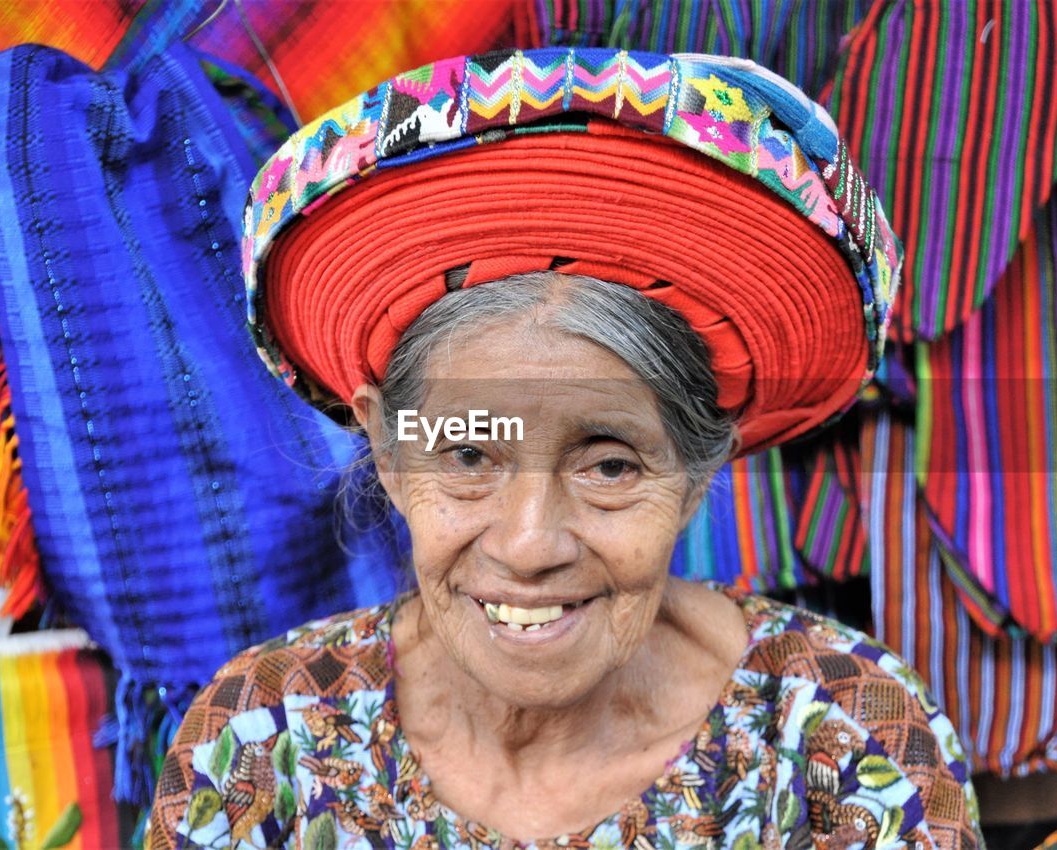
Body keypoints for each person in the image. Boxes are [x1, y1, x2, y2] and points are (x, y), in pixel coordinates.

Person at [147, 48, 984, 850]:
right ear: (391, 455)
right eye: (469, 455)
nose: (529, 545)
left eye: (611, 464)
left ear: (696, 474)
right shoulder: (266, 739)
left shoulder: (839, 735)